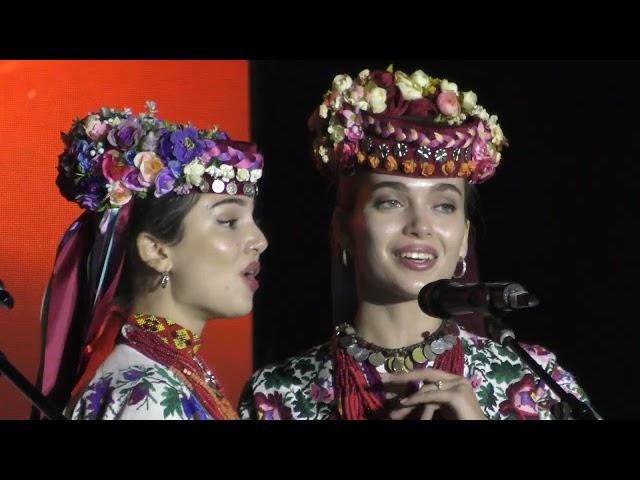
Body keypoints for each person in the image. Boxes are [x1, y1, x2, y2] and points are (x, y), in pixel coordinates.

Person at [239, 67, 595, 420]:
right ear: (343, 228)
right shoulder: (277, 396)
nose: (421, 226)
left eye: (443, 206)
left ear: (463, 239)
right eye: (390, 201)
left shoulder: (536, 384)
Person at [35, 101, 267, 419]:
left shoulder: (163, 371)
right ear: (156, 251)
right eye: (228, 221)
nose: (259, 241)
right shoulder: (148, 393)